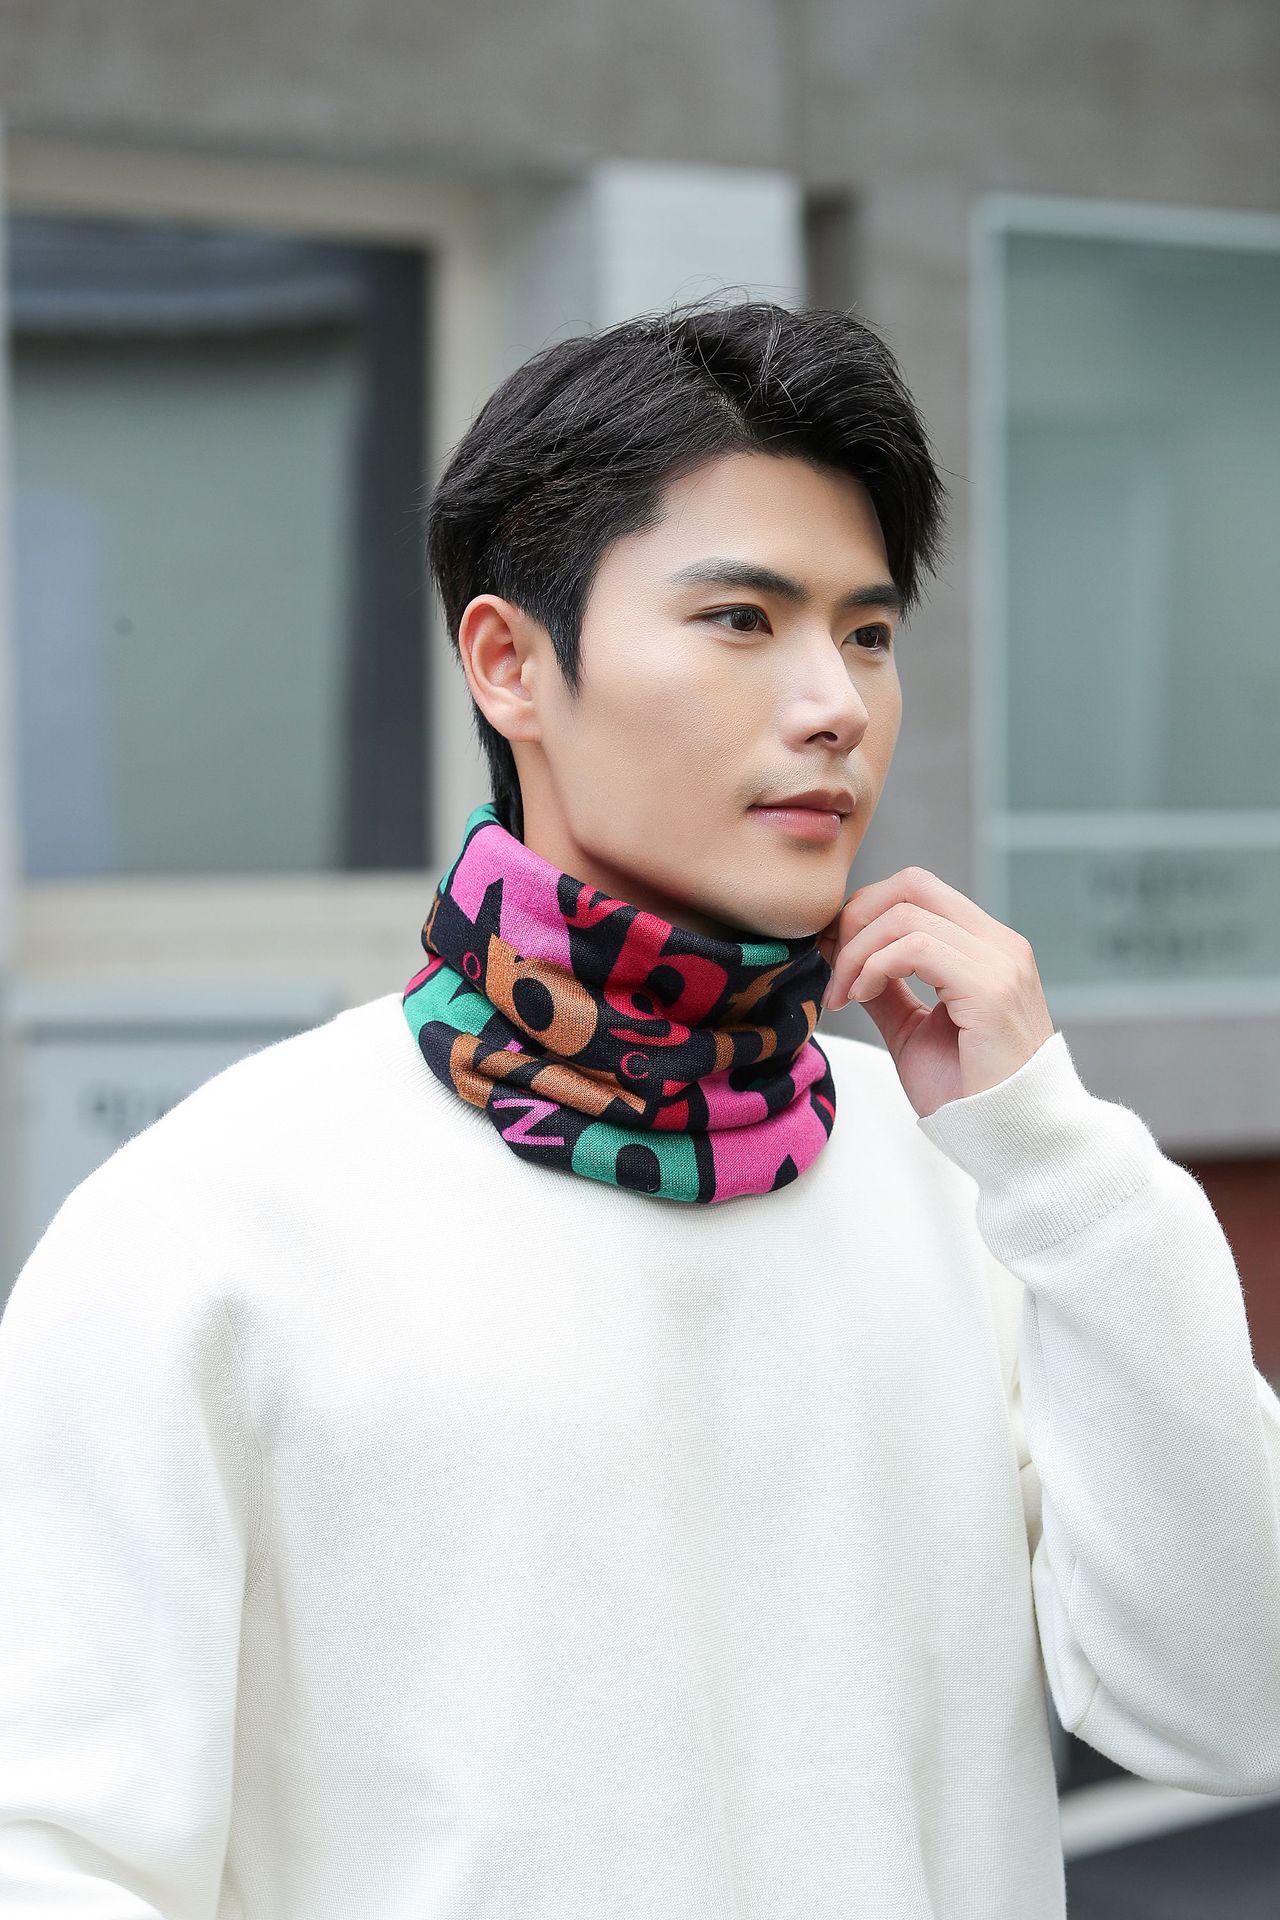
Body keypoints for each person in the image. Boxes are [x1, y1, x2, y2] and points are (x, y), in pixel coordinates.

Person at [1, 296, 1278, 1920]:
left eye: (867, 633)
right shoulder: (219, 1221)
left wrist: (1059, 1163)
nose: (834, 703)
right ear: (510, 665)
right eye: (742, 618)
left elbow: (1233, 1705)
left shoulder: (974, 1185)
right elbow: (54, 1855)